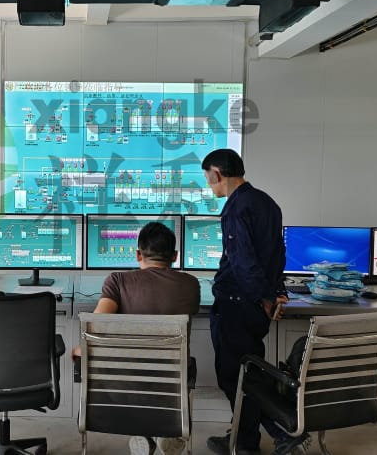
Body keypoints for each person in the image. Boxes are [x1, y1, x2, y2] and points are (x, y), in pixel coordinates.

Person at [201, 149, 308, 455]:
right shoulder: (267, 203)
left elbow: (243, 263)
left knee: (234, 377)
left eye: (208, 178)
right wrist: (275, 293)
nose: (209, 184)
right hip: (257, 305)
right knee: (249, 373)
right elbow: (277, 255)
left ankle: (281, 432)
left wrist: (265, 297)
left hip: (237, 304)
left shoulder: (235, 208)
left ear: (217, 174)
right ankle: (245, 439)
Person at [78, 221, 200, 455]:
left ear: (137, 254)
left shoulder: (117, 281)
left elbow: (96, 327)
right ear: (175, 256)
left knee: (130, 368)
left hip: (125, 382)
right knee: (171, 370)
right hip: (172, 381)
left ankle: (141, 432)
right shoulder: (191, 284)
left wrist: (79, 349)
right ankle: (167, 430)